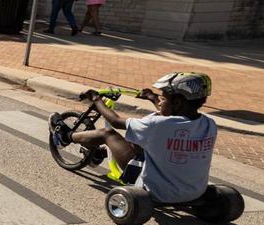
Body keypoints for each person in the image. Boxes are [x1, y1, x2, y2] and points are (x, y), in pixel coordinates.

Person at [51, 72, 216, 203]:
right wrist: (153, 98)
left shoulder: (156, 125)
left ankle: (66, 136)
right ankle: (97, 152)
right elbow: (172, 114)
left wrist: (96, 100)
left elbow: (115, 121)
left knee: (107, 134)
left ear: (178, 102)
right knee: (144, 142)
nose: (160, 102)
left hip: (157, 192)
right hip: (195, 192)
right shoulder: (209, 125)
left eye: (163, 98)